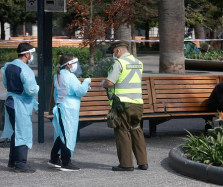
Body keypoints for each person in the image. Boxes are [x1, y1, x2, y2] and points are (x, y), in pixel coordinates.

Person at [100, 40, 148, 171]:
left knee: (123, 130)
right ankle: (143, 162)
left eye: (114, 52)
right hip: (138, 103)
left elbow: (110, 83)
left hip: (123, 104)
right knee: (136, 129)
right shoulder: (138, 63)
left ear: (118, 50)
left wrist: (102, 83)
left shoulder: (119, 63)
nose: (114, 54)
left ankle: (126, 164)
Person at [48, 54, 91, 171]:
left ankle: (54, 158)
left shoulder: (58, 75)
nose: (76, 66)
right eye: (74, 62)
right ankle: (66, 162)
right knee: (68, 135)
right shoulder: (70, 77)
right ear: (68, 64)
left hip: (61, 107)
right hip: (69, 109)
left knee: (62, 133)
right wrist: (87, 82)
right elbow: (80, 91)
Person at [1, 43, 39, 173]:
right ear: (27, 54)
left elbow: (5, 83)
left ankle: (13, 161)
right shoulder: (26, 70)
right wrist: (37, 88)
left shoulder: (8, 66)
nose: (32, 56)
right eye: (31, 54)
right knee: (23, 132)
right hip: (20, 105)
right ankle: (21, 163)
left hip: (11, 102)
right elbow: (30, 90)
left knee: (15, 132)